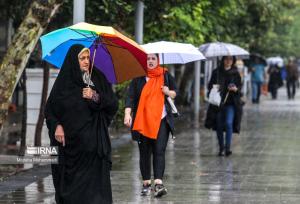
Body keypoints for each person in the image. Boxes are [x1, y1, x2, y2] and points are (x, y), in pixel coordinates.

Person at [45, 44, 118, 204]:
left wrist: (95, 96)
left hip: (94, 148)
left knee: (95, 194)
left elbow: (113, 104)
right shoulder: (63, 82)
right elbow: (50, 110)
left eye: (88, 58)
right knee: (70, 192)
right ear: (73, 60)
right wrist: (57, 125)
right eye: (82, 58)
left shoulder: (97, 78)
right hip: (69, 149)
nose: (86, 61)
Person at [124, 53, 177, 197]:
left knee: (159, 150)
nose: (151, 61)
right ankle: (146, 183)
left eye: (153, 58)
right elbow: (130, 97)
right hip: (143, 121)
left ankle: (159, 184)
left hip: (162, 119)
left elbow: (174, 93)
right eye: (148, 59)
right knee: (144, 152)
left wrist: (167, 91)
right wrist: (127, 114)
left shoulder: (165, 75)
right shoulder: (138, 78)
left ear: (158, 61)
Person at [205, 56, 243, 156]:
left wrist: (235, 89)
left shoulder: (235, 73)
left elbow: (239, 88)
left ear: (233, 61)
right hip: (218, 103)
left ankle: (227, 148)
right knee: (219, 125)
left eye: (230, 59)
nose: (228, 61)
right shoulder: (216, 72)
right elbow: (209, 86)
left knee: (228, 123)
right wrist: (215, 87)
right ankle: (221, 148)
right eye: (226, 59)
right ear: (223, 60)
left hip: (231, 103)